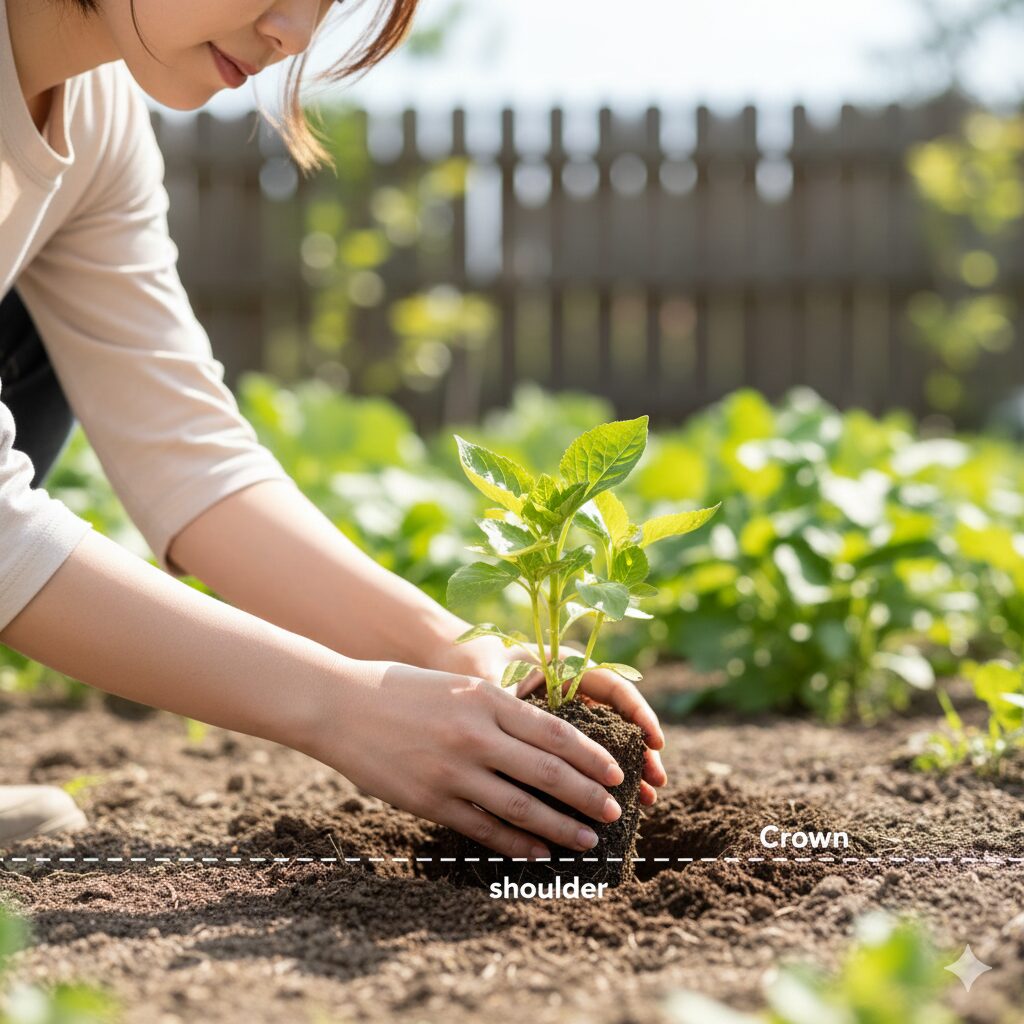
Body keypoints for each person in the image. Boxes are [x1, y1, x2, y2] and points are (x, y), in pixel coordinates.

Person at [0, 0, 667, 856]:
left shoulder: (93, 115)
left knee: (35, 352)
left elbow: (186, 454)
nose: (295, 34)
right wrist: (345, 709)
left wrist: (456, 656)